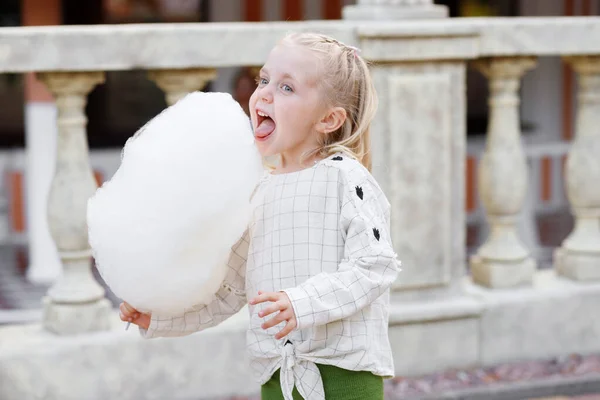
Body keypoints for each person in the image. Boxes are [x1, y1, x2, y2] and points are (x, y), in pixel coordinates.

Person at [119, 32, 401, 400]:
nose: (264, 94)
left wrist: (301, 304)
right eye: (264, 80)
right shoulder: (257, 193)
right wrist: (160, 318)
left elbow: (375, 266)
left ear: (329, 119)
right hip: (276, 377)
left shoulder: (345, 179)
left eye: (287, 88)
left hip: (343, 375)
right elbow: (229, 291)